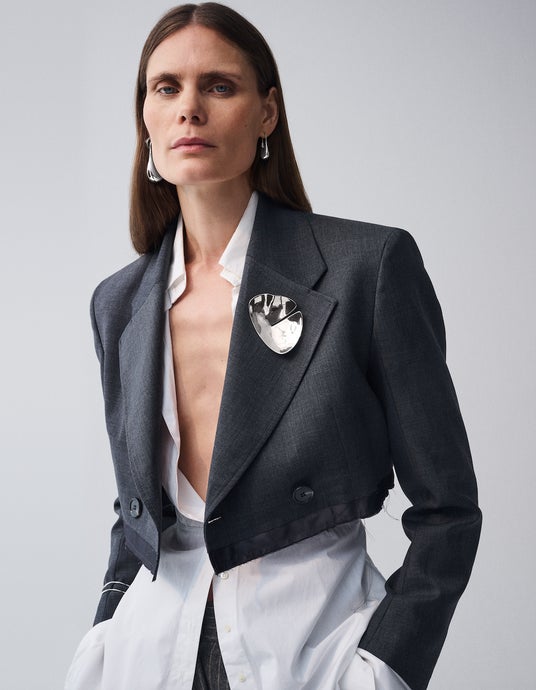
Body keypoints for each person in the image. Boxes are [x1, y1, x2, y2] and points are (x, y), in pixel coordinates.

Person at [65, 3, 482, 689]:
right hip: (146, 660)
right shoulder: (118, 304)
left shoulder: (367, 268)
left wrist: (384, 667)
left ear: (267, 112)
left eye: (219, 85)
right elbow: (134, 512)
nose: (189, 108)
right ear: (144, 116)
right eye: (166, 87)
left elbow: (448, 509)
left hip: (311, 655)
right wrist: (104, 632)